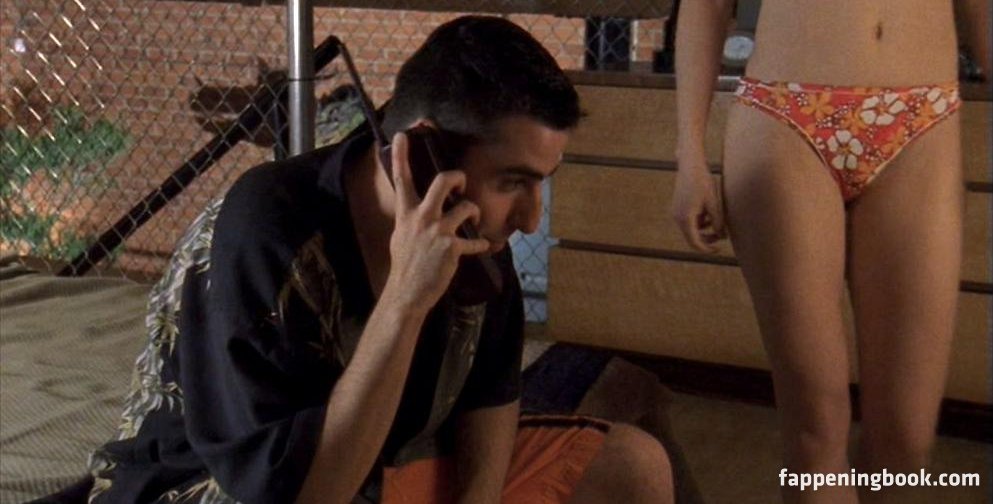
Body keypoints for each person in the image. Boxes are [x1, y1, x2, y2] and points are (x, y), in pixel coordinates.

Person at [84, 15, 673, 504]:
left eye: (542, 182)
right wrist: (405, 300)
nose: (530, 219)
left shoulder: (472, 231)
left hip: (381, 474)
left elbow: (489, 397)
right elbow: (306, 493)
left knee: (632, 466)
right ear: (422, 154)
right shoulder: (268, 229)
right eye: (513, 182)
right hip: (227, 490)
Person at [671, 1, 990, 503]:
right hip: (785, 113)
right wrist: (689, 153)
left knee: (906, 441)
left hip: (925, 119)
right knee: (815, 427)